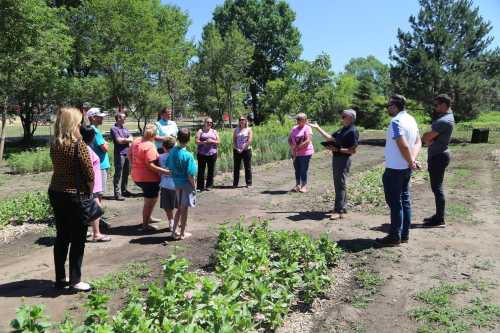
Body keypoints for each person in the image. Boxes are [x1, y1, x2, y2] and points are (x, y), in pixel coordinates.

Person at [48, 107, 94, 292]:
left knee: (62, 236)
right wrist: (89, 193)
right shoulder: (78, 144)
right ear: (73, 123)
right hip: (75, 195)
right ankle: (75, 280)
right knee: (78, 238)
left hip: (56, 192)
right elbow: (89, 172)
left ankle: (60, 278)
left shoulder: (55, 143)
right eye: (79, 121)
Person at [376, 94, 421, 246]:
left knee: (395, 204)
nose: (387, 108)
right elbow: (418, 141)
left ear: (395, 106)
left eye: (388, 105)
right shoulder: (411, 119)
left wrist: (410, 161)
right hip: (405, 169)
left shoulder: (396, 121)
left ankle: (394, 237)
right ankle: (404, 235)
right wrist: (412, 161)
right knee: (405, 201)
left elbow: (403, 145)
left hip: (395, 169)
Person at [310, 109, 359, 219]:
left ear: (350, 118)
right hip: (337, 158)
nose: (341, 118)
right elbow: (330, 138)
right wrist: (317, 127)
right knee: (340, 183)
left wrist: (337, 150)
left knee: (339, 184)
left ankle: (338, 210)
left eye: (343, 116)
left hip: (343, 160)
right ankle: (342, 207)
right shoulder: (343, 129)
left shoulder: (352, 131)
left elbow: (352, 151)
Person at [421, 94, 455, 227]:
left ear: (444, 105)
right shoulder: (446, 118)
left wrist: (427, 137)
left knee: (437, 188)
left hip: (438, 157)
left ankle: (440, 219)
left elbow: (426, 137)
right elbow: (429, 137)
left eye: (437, 105)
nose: (435, 108)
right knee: (436, 187)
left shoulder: (444, 121)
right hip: (439, 155)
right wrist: (429, 138)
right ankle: (438, 215)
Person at [129, 124, 170, 231]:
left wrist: (134, 166)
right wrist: (166, 172)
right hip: (149, 178)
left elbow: (129, 155)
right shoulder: (150, 146)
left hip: (137, 175)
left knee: (152, 198)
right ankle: (145, 225)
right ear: (154, 135)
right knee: (149, 201)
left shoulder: (136, 140)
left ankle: (148, 218)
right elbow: (150, 165)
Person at [80, 125, 111, 242]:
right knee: (95, 209)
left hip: (92, 185)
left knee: (88, 209)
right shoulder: (85, 149)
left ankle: (87, 232)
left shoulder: (85, 147)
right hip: (92, 186)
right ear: (92, 137)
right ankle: (96, 234)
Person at [166, 128, 197, 240]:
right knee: (184, 209)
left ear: (178, 138)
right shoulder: (188, 155)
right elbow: (190, 175)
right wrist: (194, 186)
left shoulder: (173, 151)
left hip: (177, 183)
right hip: (186, 184)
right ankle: (182, 233)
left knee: (179, 208)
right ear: (189, 139)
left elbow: (169, 167)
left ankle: (174, 232)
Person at [87, 108, 110, 198]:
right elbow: (105, 148)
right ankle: (97, 211)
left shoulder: (90, 129)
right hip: (101, 165)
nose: (102, 119)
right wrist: (106, 143)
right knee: (98, 193)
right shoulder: (95, 131)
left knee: (95, 192)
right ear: (93, 118)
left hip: (97, 164)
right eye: (99, 117)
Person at [288, 113, 314, 193]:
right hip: (295, 153)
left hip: (305, 153)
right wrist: (292, 146)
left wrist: (298, 147)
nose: (298, 121)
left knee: (303, 169)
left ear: (305, 120)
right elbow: (289, 139)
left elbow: (308, 140)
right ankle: (297, 185)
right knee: (297, 169)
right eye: (297, 119)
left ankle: (304, 186)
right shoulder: (294, 128)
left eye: (300, 119)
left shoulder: (307, 128)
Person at [110, 112, 133, 200]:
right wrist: (128, 140)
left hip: (127, 153)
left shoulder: (125, 129)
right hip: (119, 154)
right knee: (118, 173)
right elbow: (119, 141)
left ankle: (124, 190)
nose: (125, 119)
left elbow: (131, 138)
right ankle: (117, 193)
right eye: (124, 117)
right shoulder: (114, 129)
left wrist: (125, 140)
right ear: (118, 118)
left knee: (126, 173)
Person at [195, 117, 219, 191]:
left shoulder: (214, 131)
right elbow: (196, 141)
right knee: (201, 170)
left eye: (211, 122)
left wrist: (212, 141)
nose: (209, 124)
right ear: (204, 123)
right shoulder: (200, 131)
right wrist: (204, 142)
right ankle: (200, 186)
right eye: (208, 122)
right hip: (202, 154)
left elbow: (218, 141)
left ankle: (209, 185)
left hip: (212, 153)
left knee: (211, 170)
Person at [159, 137, 177, 231]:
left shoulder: (160, 157)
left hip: (165, 185)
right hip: (177, 185)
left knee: (167, 205)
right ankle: (180, 221)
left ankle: (171, 221)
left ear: (164, 147)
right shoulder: (178, 155)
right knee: (180, 205)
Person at [233, 116, 253, 188]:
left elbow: (250, 140)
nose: (241, 121)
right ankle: (235, 183)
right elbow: (234, 140)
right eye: (240, 119)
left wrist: (243, 148)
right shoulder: (236, 129)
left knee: (247, 167)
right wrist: (237, 148)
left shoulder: (249, 129)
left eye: (243, 119)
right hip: (237, 151)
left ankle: (249, 183)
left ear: (245, 121)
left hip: (246, 150)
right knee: (236, 167)